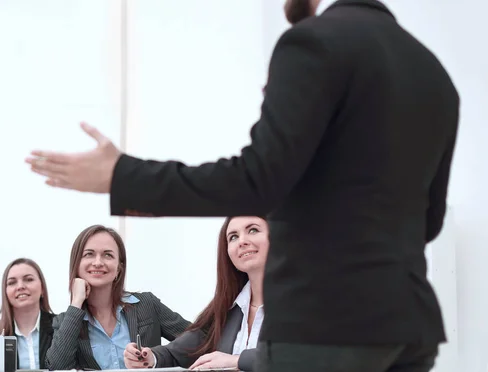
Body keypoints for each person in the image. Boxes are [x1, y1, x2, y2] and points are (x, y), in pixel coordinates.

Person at [26, 0, 460, 370]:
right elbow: (430, 221)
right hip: (408, 324)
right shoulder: (433, 73)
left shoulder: (312, 43)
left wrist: (125, 176)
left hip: (327, 324)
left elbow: (257, 178)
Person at [124, 216, 268, 371]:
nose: (242, 241)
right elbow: (177, 352)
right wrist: (149, 357)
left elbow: (295, 356)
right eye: (233, 237)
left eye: (253, 230)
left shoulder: (296, 304)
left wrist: (238, 361)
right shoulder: (225, 308)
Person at [45, 225, 191, 370]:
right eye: (89, 254)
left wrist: (156, 357)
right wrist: (76, 303)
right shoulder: (65, 321)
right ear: (76, 265)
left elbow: (198, 340)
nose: (97, 262)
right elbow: (58, 367)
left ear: (119, 268)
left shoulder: (147, 304)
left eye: (108, 255)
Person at [0, 258, 55, 370]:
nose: (20, 286)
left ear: (42, 288)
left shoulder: (61, 328)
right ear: (5, 292)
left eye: (28, 279)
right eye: (12, 282)